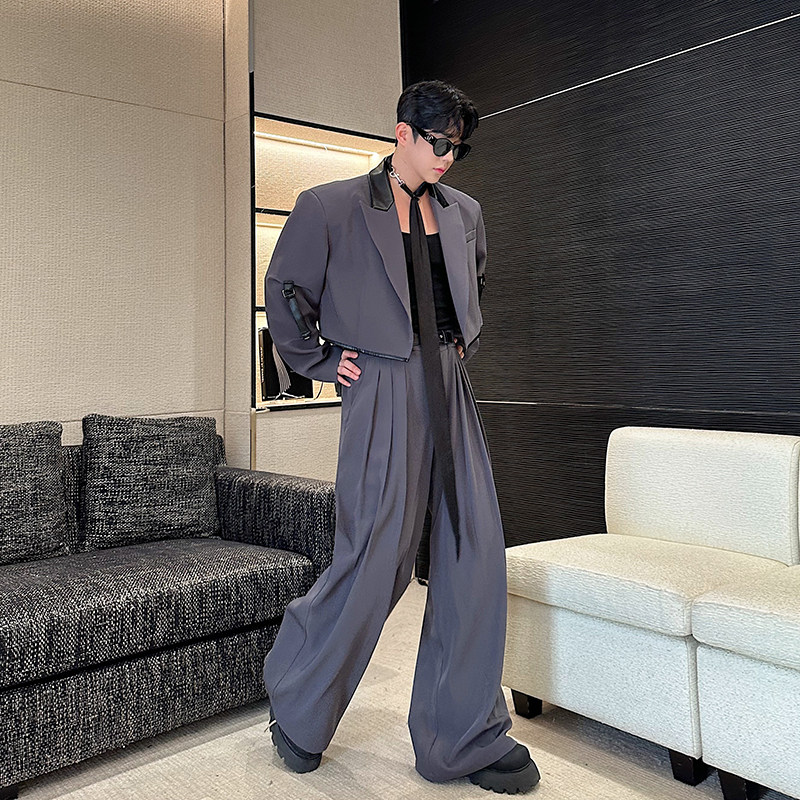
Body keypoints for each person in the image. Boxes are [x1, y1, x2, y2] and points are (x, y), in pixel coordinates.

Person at [261, 80, 540, 795]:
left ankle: (462, 736)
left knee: (474, 552)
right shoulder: (331, 205)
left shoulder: (465, 212)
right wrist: (321, 360)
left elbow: (475, 281)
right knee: (375, 557)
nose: (447, 155)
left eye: (457, 146)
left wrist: (460, 339)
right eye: (437, 141)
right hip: (381, 383)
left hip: (449, 382)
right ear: (402, 134)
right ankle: (298, 702)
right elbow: (285, 289)